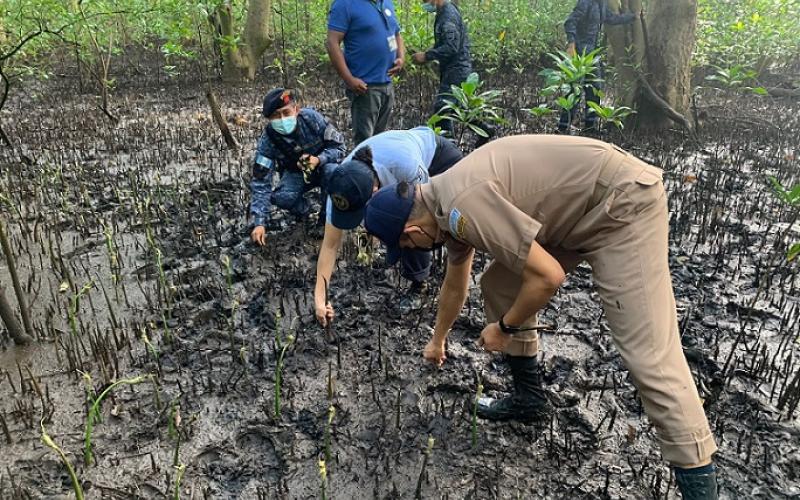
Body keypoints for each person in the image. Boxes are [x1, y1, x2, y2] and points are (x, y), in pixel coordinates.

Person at [364, 135, 718, 499]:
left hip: (621, 204)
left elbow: (548, 277)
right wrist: (438, 340)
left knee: (649, 354)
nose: (411, 251)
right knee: (499, 284)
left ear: (412, 232)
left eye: (406, 247)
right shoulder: (443, 207)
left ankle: (698, 479)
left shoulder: (461, 204)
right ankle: (529, 399)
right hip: (578, 212)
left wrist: (505, 327)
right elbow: (455, 286)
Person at [313, 127, 462, 327]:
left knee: (408, 226)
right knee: (389, 221)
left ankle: (420, 285)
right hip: (392, 166)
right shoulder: (341, 188)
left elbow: (422, 214)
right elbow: (330, 246)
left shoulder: (405, 167)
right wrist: (320, 299)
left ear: (375, 190)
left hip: (437, 158)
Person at [249, 88, 346, 246]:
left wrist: (319, 159)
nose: (282, 119)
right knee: (281, 197)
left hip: (323, 168)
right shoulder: (268, 141)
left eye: (286, 113)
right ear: (268, 119)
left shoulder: (312, 119)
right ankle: (305, 211)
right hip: (295, 174)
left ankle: (325, 219)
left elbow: (340, 148)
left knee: (333, 172)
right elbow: (261, 181)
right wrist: (259, 222)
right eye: (275, 116)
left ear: (296, 109)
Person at [326, 0, 405, 145]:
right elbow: (332, 43)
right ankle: (362, 168)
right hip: (365, 86)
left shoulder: (386, 3)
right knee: (364, 143)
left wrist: (401, 57)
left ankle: (376, 167)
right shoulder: (345, 4)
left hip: (387, 82)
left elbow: (396, 33)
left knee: (380, 139)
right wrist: (349, 79)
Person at [412, 0, 487, 142]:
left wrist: (426, 56)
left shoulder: (448, 15)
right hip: (456, 69)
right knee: (458, 109)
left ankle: (449, 149)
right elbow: (446, 42)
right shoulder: (445, 11)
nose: (424, 3)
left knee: (442, 111)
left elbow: (451, 47)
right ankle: (485, 130)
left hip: (456, 70)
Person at [558, 0, 636, 135]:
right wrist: (571, 45)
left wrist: (633, 16)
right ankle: (563, 127)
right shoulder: (585, 2)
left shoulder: (602, 4)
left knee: (595, 89)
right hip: (580, 52)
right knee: (575, 90)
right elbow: (570, 22)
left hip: (592, 52)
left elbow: (611, 18)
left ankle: (590, 125)